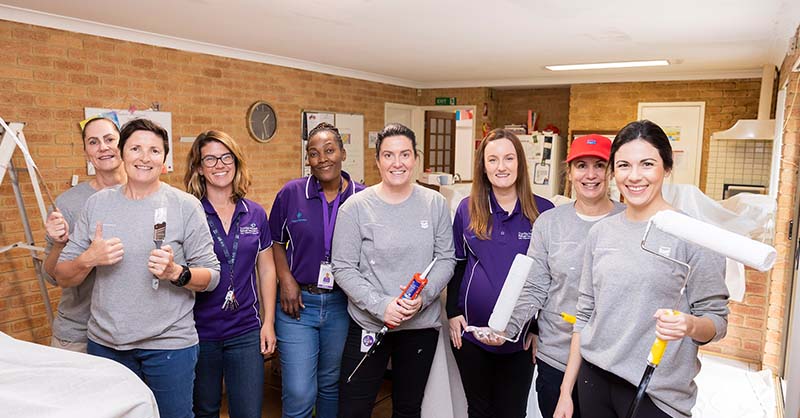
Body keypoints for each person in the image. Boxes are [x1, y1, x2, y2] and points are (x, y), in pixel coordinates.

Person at [555, 120, 729, 418]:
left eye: (647, 164)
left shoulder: (694, 236)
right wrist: (565, 391)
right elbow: (584, 314)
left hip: (655, 393)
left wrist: (689, 325)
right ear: (614, 172)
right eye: (624, 165)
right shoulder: (602, 232)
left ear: (666, 168)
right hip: (594, 379)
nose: (634, 176)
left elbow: (717, 320)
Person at [55, 118, 221, 418]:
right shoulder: (97, 204)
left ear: (164, 160)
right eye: (136, 148)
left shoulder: (185, 206)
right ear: (122, 153)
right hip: (106, 345)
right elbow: (62, 275)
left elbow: (211, 275)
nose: (145, 157)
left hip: (169, 345)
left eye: (154, 151)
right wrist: (89, 258)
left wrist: (177, 273)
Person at [331, 123, 456, 418]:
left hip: (420, 327)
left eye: (404, 154)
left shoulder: (434, 203)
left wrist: (422, 297)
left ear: (415, 158)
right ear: (377, 161)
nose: (397, 163)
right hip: (369, 324)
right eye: (388, 155)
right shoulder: (355, 208)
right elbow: (343, 268)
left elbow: (446, 259)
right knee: (353, 406)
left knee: (408, 408)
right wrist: (382, 305)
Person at [501, 134, 625, 418]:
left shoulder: (629, 221)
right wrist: (506, 329)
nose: (590, 174)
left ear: (611, 172)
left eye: (599, 165)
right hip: (555, 356)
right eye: (581, 165)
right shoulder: (550, 223)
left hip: (610, 362)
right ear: (569, 173)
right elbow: (534, 286)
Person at [446, 128, 554, 418]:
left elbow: (549, 280)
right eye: (492, 160)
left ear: (520, 163)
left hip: (518, 339)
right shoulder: (467, 209)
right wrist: (452, 311)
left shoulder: (544, 213)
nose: (501, 167)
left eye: (508, 158)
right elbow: (457, 263)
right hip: (472, 334)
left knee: (512, 411)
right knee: (478, 410)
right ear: (483, 166)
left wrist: (536, 328)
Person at [268, 122, 365, 418]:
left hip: (341, 305)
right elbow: (274, 240)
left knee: (329, 384)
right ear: (307, 159)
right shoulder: (291, 193)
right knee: (299, 390)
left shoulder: (362, 198)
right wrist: (285, 279)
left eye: (329, 150)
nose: (322, 158)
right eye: (314, 153)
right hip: (298, 305)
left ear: (343, 153)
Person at [184, 130, 277, 418]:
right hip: (200, 330)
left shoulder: (255, 213)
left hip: (245, 330)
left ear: (236, 163)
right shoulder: (190, 212)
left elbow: (267, 269)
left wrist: (268, 323)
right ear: (199, 167)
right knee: (205, 409)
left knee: (248, 411)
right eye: (209, 159)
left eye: (226, 157)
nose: (219, 165)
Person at [43, 113, 126, 353]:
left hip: (133, 334)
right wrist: (60, 244)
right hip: (79, 333)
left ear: (122, 143)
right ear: (86, 151)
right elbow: (51, 277)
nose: (103, 147)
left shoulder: (147, 195)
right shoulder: (68, 204)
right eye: (93, 142)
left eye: (110, 139)